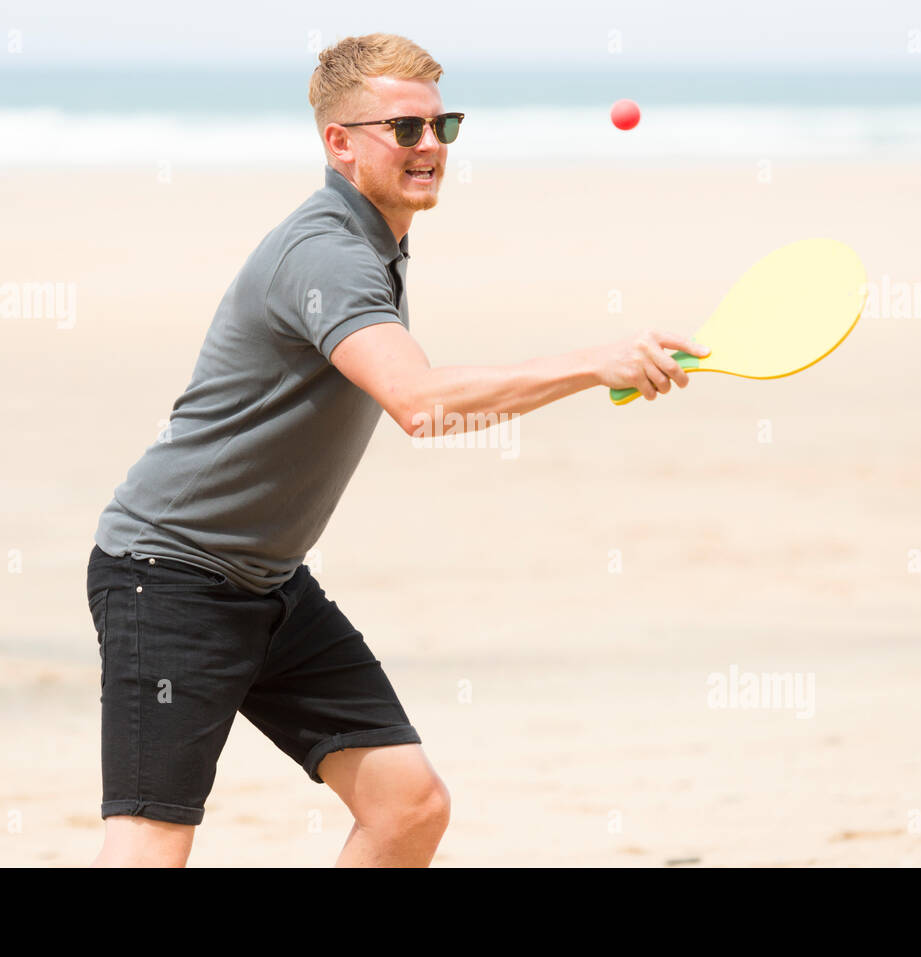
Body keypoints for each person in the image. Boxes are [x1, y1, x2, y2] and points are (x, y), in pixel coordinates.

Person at [85, 32, 706, 868]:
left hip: (267, 582)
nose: (428, 148)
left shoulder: (377, 239)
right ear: (338, 142)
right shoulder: (329, 254)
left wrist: (585, 375)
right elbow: (418, 403)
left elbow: (428, 409)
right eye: (403, 129)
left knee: (408, 806)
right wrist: (596, 364)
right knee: (151, 846)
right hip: (166, 576)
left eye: (440, 127)